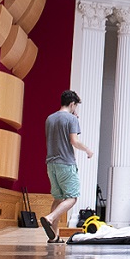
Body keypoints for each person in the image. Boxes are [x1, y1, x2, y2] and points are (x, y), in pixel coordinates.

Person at [40, 90, 93, 243]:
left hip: (51, 164)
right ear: (72, 104)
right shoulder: (71, 118)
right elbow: (74, 141)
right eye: (75, 106)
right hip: (66, 163)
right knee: (72, 198)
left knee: (58, 198)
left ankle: (54, 236)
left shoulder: (50, 118)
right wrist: (88, 150)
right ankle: (49, 218)